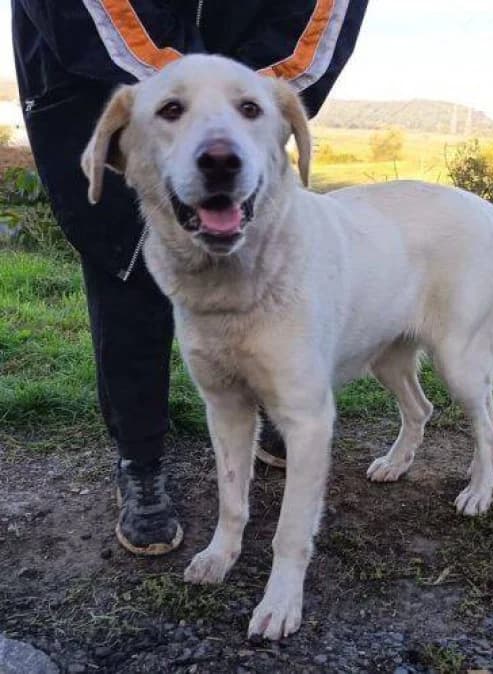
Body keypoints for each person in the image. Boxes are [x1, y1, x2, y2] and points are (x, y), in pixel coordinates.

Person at [11, 0, 367, 556]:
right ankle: (140, 456)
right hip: (97, 67)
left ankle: (280, 400)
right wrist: (191, 97)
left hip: (253, 55)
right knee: (123, 265)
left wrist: (238, 103)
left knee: (269, 262)